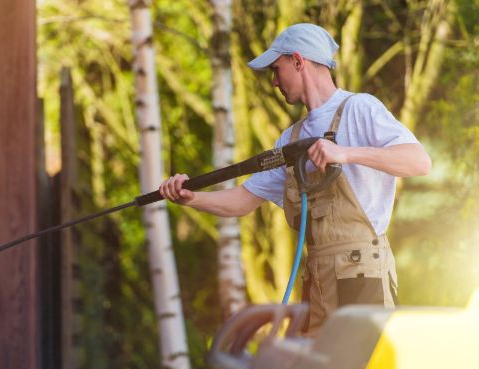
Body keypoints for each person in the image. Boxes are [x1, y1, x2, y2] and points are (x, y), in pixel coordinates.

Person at [159, 23, 431, 336]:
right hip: (315, 280)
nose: (274, 81)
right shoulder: (291, 139)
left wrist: (346, 153)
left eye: (276, 69)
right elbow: (243, 200)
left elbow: (418, 161)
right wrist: (192, 199)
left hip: (361, 272)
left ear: (298, 61)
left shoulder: (359, 108)